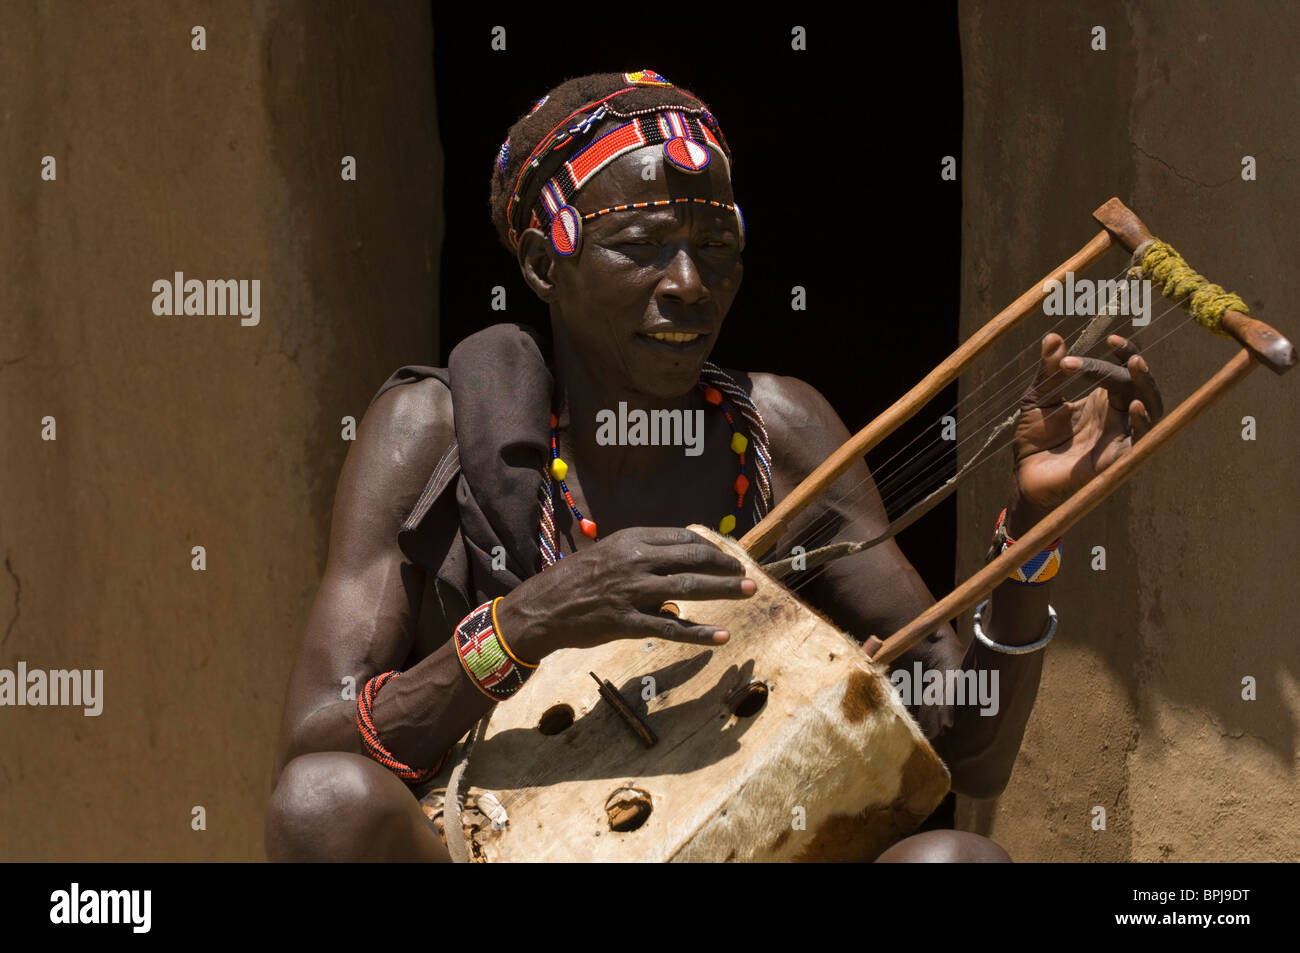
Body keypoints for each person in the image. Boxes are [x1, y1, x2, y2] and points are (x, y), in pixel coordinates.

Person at [265, 70, 1164, 862]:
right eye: (643, 245)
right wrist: (535, 617)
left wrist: (1032, 546)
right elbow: (318, 736)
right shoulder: (432, 428)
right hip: (504, 844)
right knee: (325, 806)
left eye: (717, 250)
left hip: (754, 844)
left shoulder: (780, 431)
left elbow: (967, 750)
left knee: (953, 859)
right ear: (544, 263)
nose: (690, 283)